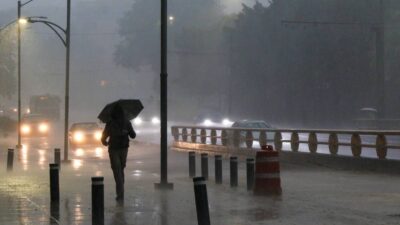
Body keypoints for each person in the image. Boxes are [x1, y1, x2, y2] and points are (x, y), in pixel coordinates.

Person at [101, 105, 136, 202]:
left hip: (113, 148)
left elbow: (103, 137)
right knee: (120, 169)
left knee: (117, 170)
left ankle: (120, 193)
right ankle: (121, 191)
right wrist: (127, 131)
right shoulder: (127, 122)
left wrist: (105, 142)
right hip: (124, 148)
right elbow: (133, 135)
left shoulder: (110, 123)